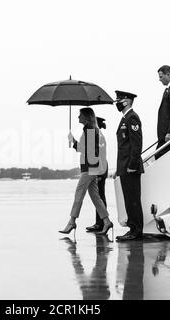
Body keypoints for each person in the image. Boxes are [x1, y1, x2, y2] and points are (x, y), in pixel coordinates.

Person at [59, 108, 114, 237]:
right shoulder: (92, 129)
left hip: (89, 168)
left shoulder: (89, 129)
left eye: (80, 115)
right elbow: (87, 149)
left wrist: (73, 141)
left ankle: (72, 221)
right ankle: (106, 221)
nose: (78, 117)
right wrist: (74, 143)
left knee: (79, 193)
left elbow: (87, 151)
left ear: (86, 117)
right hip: (92, 167)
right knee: (95, 196)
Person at [113, 91, 144, 241]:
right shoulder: (125, 118)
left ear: (128, 101)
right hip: (124, 166)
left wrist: (132, 165)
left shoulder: (132, 117)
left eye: (120, 99)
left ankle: (136, 231)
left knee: (133, 200)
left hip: (131, 167)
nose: (117, 102)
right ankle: (133, 228)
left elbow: (136, 144)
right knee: (128, 199)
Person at [86, 117, 108, 232]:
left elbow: (100, 155)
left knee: (99, 196)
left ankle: (101, 223)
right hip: (99, 168)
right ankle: (99, 222)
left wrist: (99, 172)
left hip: (100, 169)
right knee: (98, 196)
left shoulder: (98, 136)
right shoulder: (97, 135)